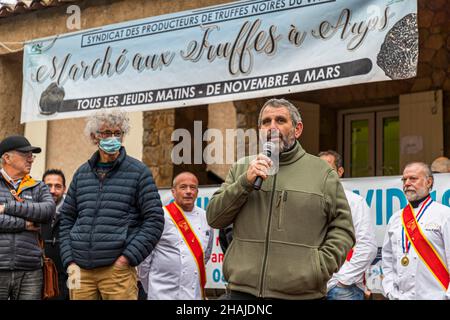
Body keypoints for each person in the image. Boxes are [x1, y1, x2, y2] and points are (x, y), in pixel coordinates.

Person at [206, 98, 355, 300]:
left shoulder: (322, 173)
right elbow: (215, 218)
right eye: (266, 122)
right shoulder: (242, 168)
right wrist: (244, 184)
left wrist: (318, 268)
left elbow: (343, 228)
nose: (272, 127)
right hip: (242, 293)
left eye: (280, 120)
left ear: (297, 129)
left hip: (301, 295)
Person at [59, 109, 165, 300]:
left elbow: (154, 220)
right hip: (80, 272)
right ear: (94, 137)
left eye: (118, 133)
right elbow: (66, 218)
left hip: (117, 272)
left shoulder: (139, 172)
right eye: (106, 133)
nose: (112, 138)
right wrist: (69, 261)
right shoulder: (82, 173)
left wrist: (127, 259)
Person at [138, 172, 213, 300]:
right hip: (161, 294)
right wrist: (150, 289)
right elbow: (145, 260)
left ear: (197, 192)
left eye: (192, 187)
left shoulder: (205, 217)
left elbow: (205, 255)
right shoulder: (159, 216)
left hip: (192, 295)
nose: (188, 191)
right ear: (173, 192)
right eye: (183, 187)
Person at [382, 162, 450, 300]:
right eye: (404, 179)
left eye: (413, 178)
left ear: (428, 182)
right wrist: (389, 290)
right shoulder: (395, 218)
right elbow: (387, 259)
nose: (407, 183)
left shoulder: (445, 215)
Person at [0, 135, 55, 300]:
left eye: (32, 155)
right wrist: (24, 224)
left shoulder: (39, 186)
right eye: (25, 154)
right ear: (7, 158)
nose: (31, 159)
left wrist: (7, 207)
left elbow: (47, 211)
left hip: (31, 270)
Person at [319, 150, 377, 300]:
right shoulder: (308, 202)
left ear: (340, 172)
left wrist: (342, 281)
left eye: (327, 168)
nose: (322, 173)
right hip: (312, 288)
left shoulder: (355, 202)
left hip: (343, 290)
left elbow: (367, 246)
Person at [41, 169, 68, 300]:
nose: (52, 190)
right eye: (48, 186)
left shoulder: (73, 213)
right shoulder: (33, 211)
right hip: (37, 277)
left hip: (67, 277)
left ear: (64, 189)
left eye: (57, 186)